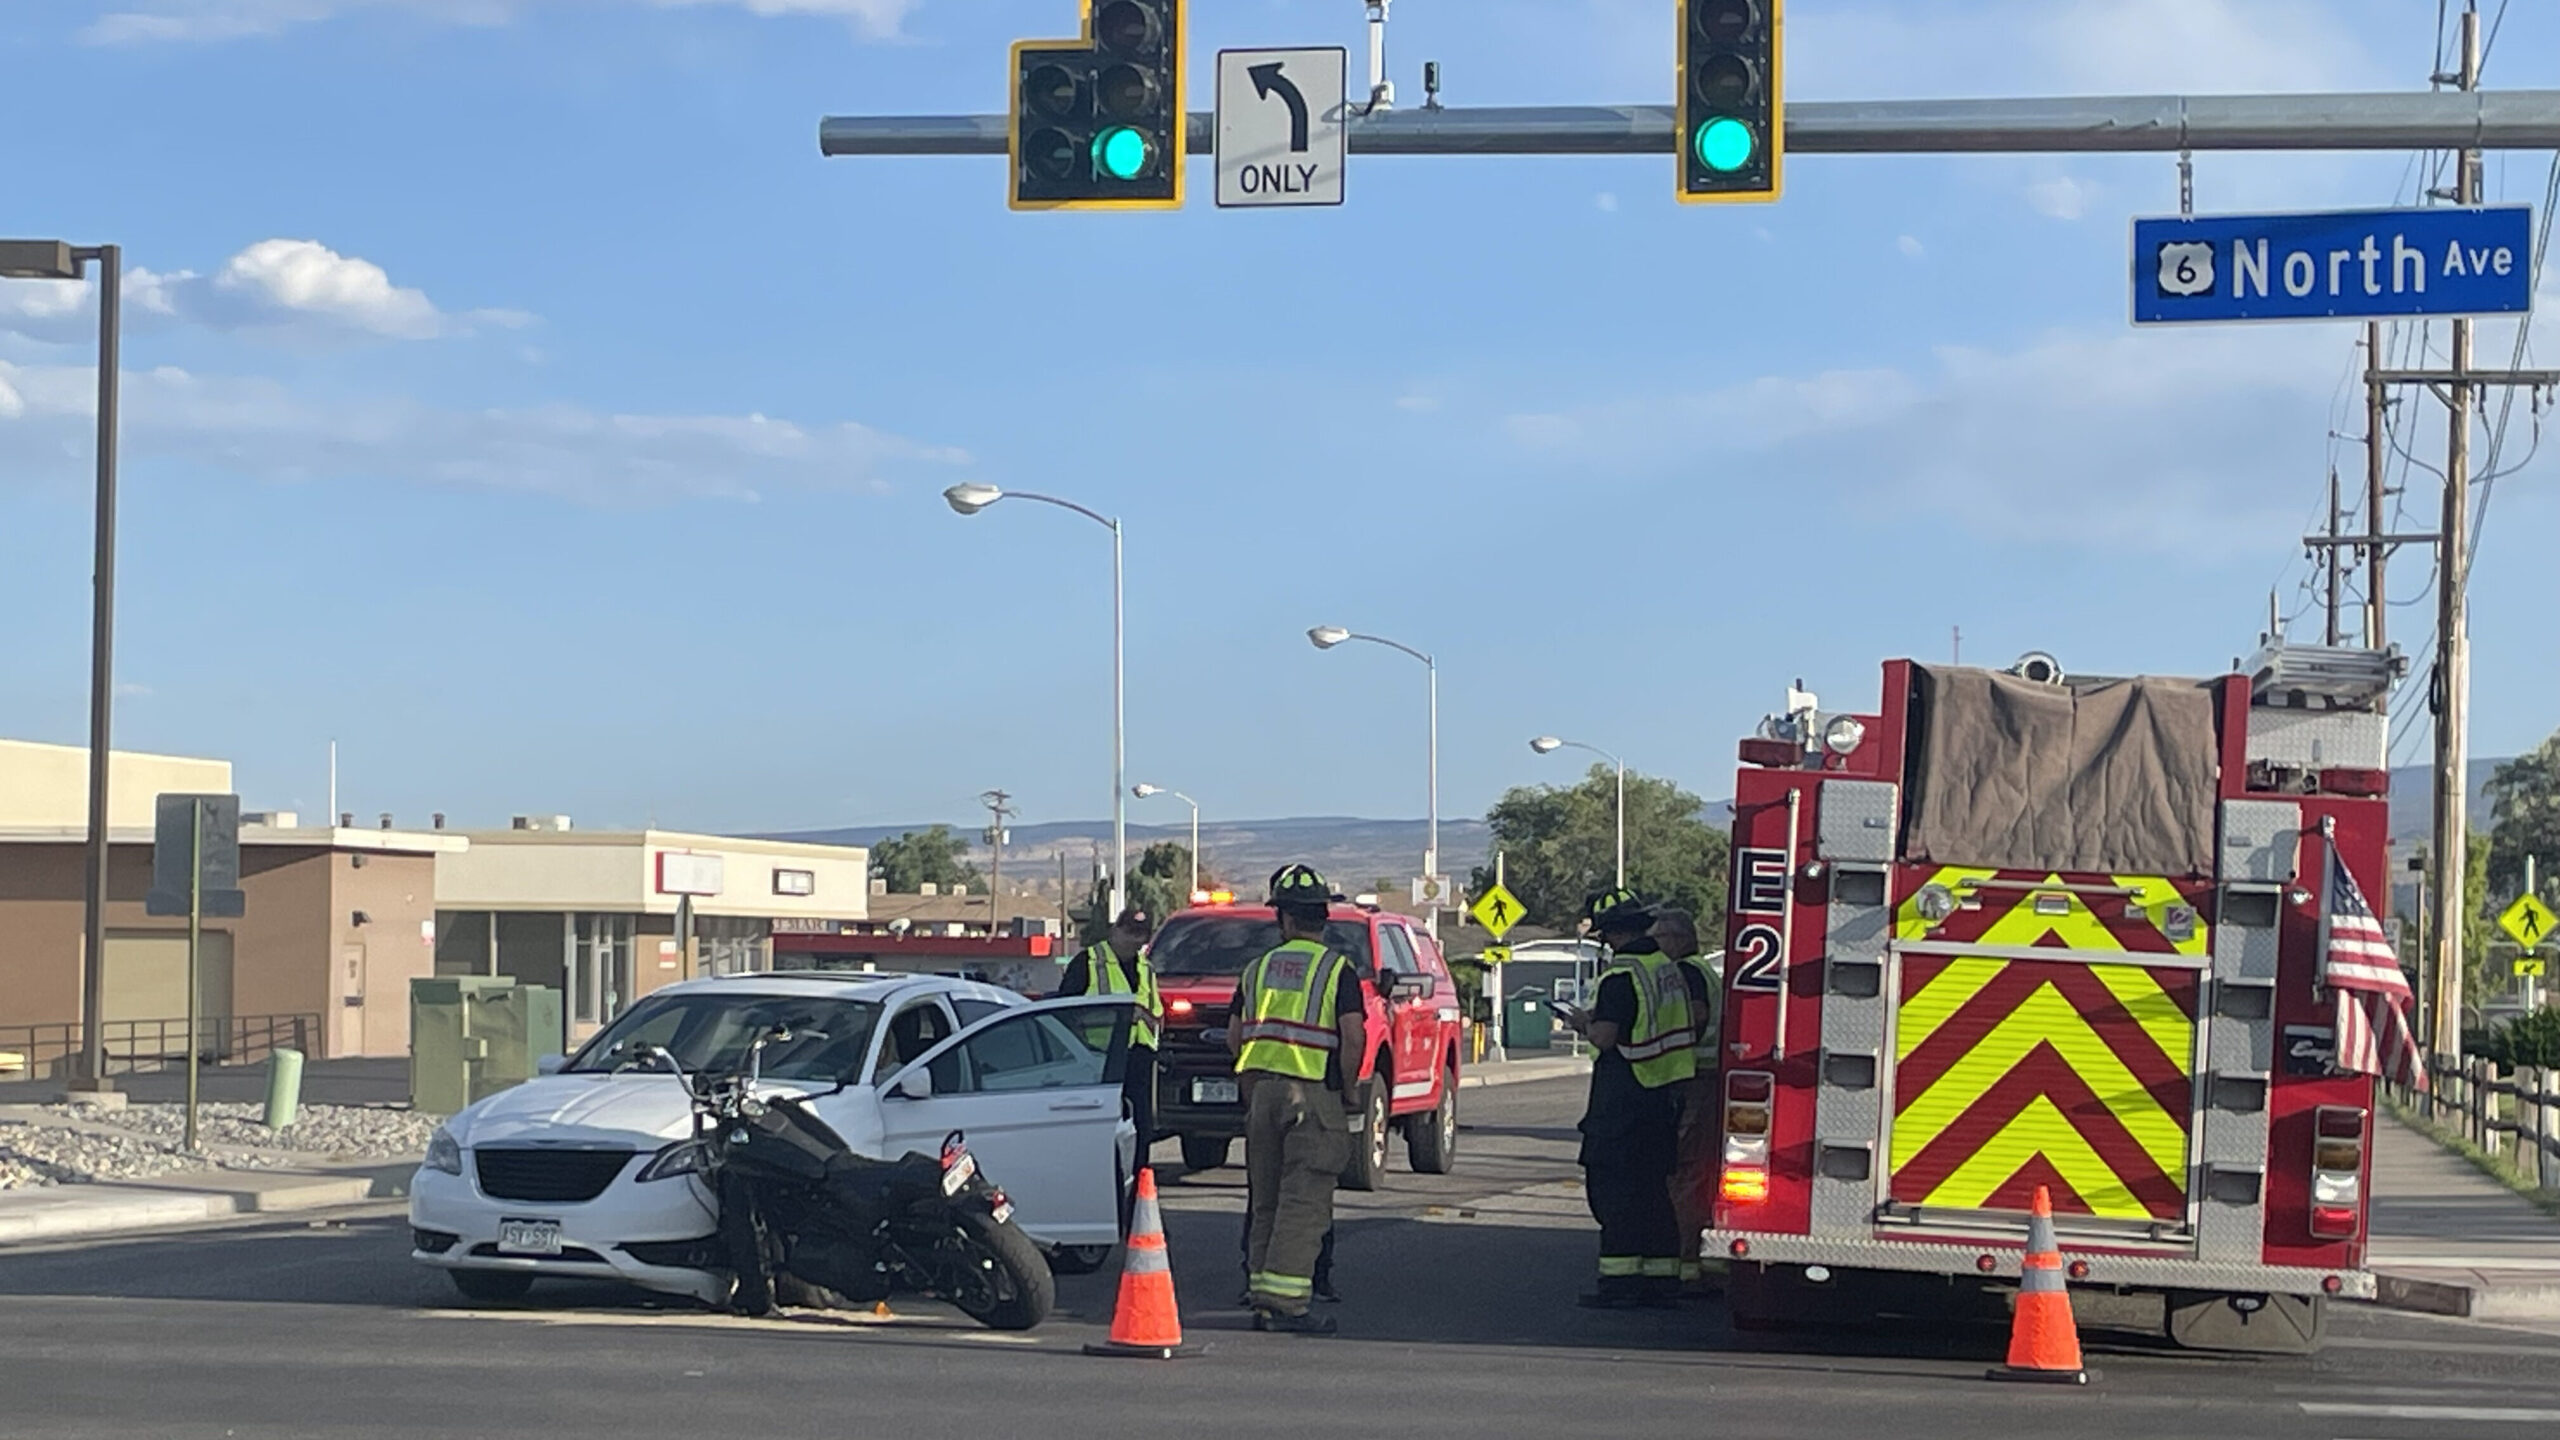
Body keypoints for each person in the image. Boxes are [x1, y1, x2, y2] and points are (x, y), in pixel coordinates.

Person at [1226, 863, 1366, 1335]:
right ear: (1324, 917)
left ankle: (1262, 1294)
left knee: (1265, 1198)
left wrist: (1254, 1086)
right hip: (1311, 1095)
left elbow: (1235, 1037)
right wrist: (1349, 1089)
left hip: (1263, 1095)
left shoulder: (1256, 970)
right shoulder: (1336, 970)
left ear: (1283, 918)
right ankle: (1286, 1303)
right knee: (1303, 1201)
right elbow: (1353, 1036)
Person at [1562, 888, 1695, 1309]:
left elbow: (1605, 1036)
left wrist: (1583, 1023)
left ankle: (1621, 1283)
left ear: (1612, 934)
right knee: (1653, 1192)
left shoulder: (1622, 975)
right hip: (1664, 1097)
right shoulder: (1666, 968)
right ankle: (1661, 1280)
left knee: (1614, 1194)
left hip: (1623, 1100)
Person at [1653, 906, 1724, 1297]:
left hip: (1694, 1077)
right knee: (1694, 1171)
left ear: (1679, 939)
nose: (1656, 944)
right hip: (1702, 1076)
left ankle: (1686, 1263)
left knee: (1683, 1171)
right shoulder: (1703, 969)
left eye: (1660, 937)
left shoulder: (1687, 972)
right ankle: (1696, 1262)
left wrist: (1662, 1035)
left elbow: (1696, 1015)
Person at [1056, 906, 1164, 1154]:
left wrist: (1151, 1024)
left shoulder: (1146, 967)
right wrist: (1118, 1017)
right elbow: (1066, 1012)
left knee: (1141, 1127)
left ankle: (1139, 1174)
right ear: (1115, 931)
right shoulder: (1089, 962)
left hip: (1139, 1057)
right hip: (1098, 1058)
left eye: (1140, 934)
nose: (1134, 939)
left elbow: (1155, 1011)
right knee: (1106, 1127)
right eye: (1129, 932)